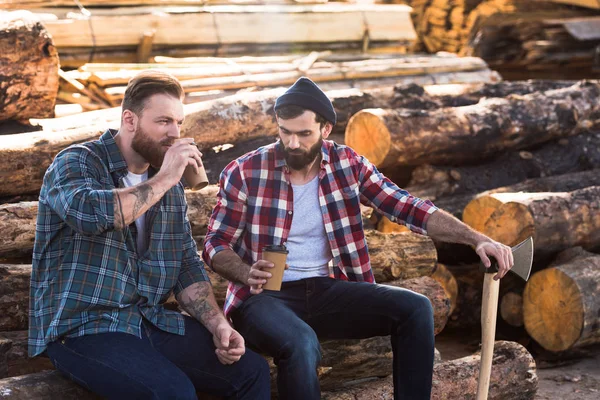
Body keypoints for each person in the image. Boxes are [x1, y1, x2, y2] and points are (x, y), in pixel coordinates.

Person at [202, 77, 515, 400]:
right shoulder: (245, 171)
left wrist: (477, 239)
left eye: (303, 133)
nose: (293, 143)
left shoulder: (348, 165)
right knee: (300, 342)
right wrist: (244, 272)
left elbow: (409, 208)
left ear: (325, 130)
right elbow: (214, 243)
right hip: (264, 300)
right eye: (285, 132)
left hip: (328, 291)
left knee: (417, 308)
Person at [28, 70, 270, 400]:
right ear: (130, 119)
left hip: (149, 321)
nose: (175, 133)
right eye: (163, 122)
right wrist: (168, 177)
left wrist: (219, 326)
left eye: (179, 123)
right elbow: (92, 214)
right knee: (172, 392)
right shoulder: (77, 162)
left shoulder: (166, 184)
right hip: (83, 328)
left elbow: (185, 265)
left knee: (250, 370)